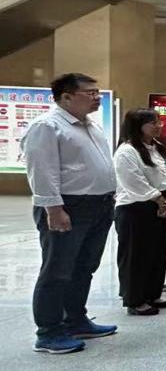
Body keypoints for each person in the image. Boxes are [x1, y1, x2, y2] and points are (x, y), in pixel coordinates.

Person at [21, 72, 119, 354]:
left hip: (99, 205)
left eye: (97, 92)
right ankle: (48, 332)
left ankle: (75, 319)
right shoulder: (47, 126)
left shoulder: (90, 125)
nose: (96, 98)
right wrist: (54, 209)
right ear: (65, 97)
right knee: (57, 270)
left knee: (84, 267)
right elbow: (42, 172)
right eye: (90, 93)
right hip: (68, 206)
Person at [113, 108, 166, 316]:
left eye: (159, 122)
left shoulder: (156, 147)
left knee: (157, 252)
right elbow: (133, 181)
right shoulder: (127, 151)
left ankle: (152, 293)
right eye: (152, 123)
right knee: (135, 255)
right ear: (138, 126)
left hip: (160, 204)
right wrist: (158, 198)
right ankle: (135, 299)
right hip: (135, 207)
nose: (158, 126)